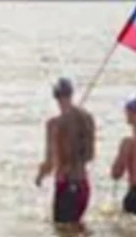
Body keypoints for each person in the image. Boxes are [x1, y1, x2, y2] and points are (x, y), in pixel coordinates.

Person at [35, 77, 97, 227]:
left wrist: (39, 176)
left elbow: (50, 162)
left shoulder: (54, 124)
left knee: (63, 236)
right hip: (83, 185)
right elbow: (90, 155)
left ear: (55, 96)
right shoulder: (87, 118)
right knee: (78, 231)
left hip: (66, 186)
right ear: (71, 94)